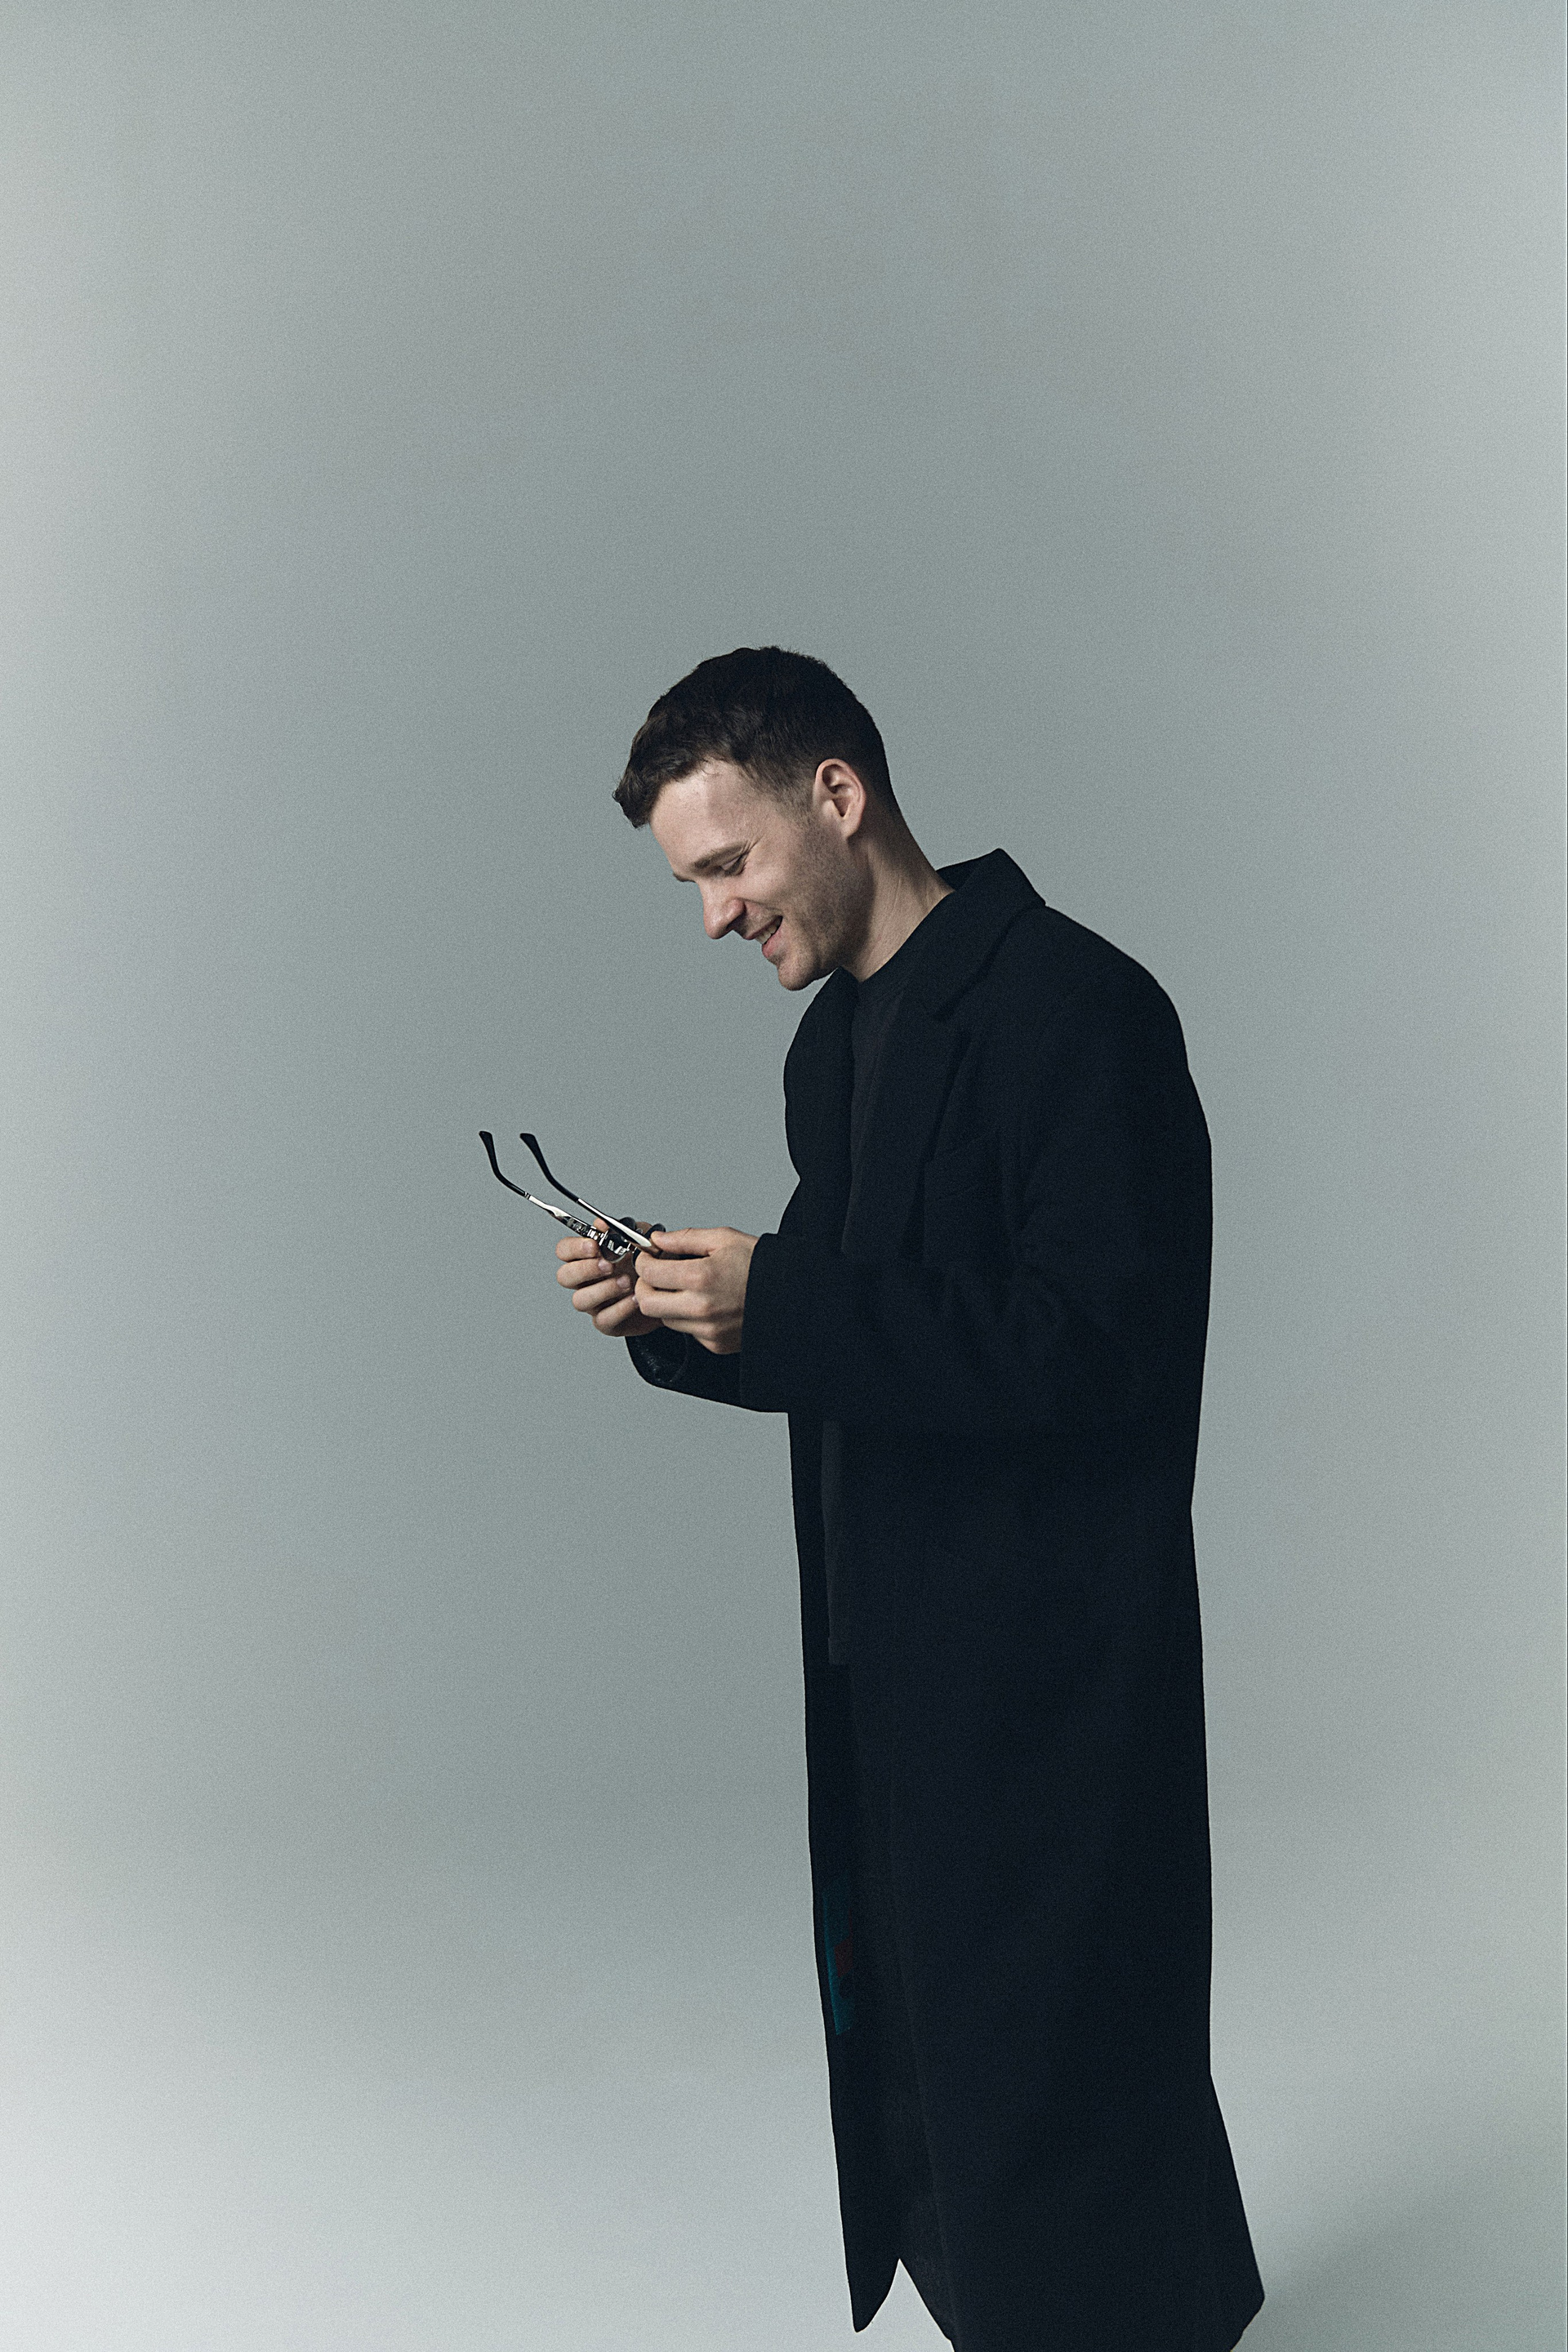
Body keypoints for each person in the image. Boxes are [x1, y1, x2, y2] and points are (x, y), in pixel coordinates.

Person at [554, 647, 1265, 2351]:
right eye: (692, 883)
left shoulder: (1082, 1007)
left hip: (1054, 1664)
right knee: (942, 2069)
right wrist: (683, 1315)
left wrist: (785, 1298)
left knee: (1066, 2055)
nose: (715, 917)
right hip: (892, 1656)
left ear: (839, 795)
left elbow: (1100, 1348)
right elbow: (872, 1344)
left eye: (728, 863)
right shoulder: (838, 1046)